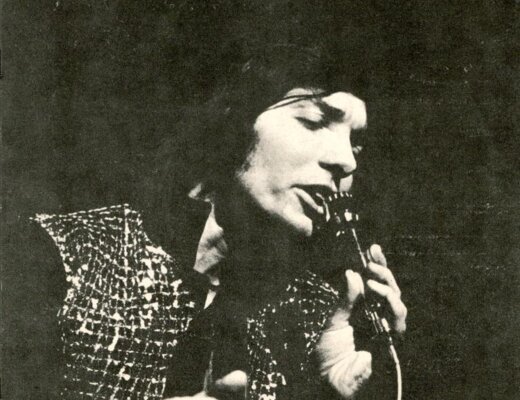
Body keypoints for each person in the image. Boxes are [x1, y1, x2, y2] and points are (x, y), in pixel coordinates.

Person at [4, 45, 407, 399]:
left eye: (356, 146)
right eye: (314, 122)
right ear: (231, 120)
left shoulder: (315, 319)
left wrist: (328, 388)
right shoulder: (55, 253)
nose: (347, 161)